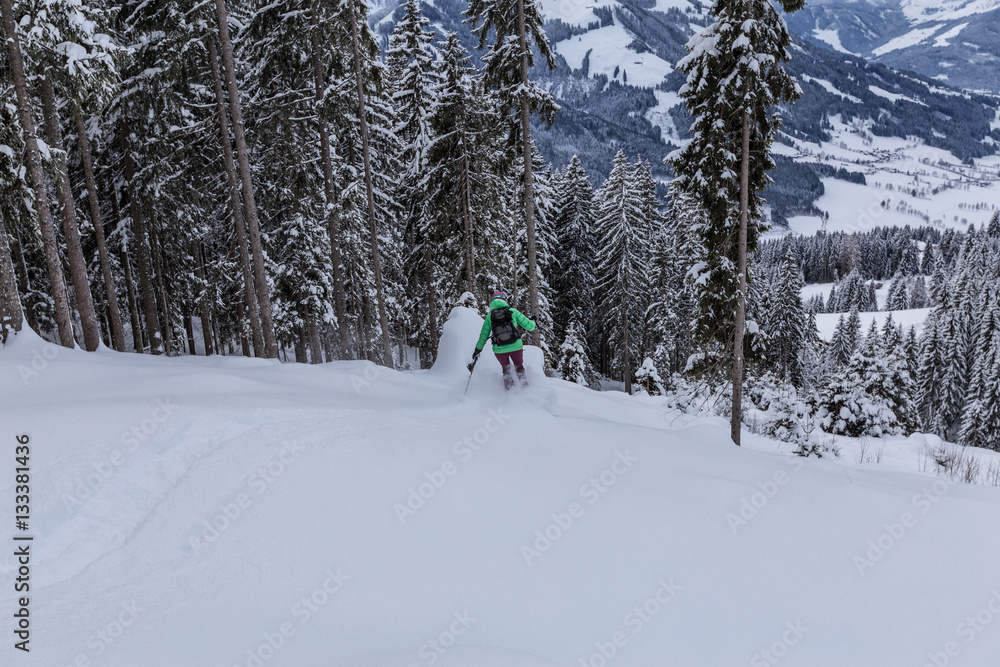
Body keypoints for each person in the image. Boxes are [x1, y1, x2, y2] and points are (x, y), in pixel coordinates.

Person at [472, 291, 536, 390]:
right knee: (519, 366)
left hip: (499, 349)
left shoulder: (490, 316)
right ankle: (525, 389)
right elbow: (530, 326)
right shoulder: (513, 311)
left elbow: (483, 335)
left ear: (493, 301)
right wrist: (533, 321)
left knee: (506, 369)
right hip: (515, 346)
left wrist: (478, 349)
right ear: (504, 300)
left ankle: (509, 392)